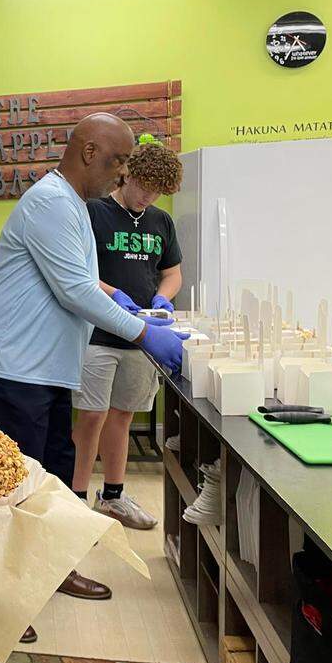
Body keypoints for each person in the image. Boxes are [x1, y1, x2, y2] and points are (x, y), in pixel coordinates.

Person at [0, 114, 187, 638]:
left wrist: (120, 298)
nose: (119, 175)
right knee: (13, 488)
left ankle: (52, 569)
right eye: (116, 162)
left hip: (42, 368)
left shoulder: (72, 205)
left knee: (56, 475)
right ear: (88, 152)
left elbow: (84, 281)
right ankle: (3, 600)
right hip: (13, 367)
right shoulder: (51, 203)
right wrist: (141, 332)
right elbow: (74, 292)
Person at [72, 139, 184, 530]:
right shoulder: (94, 212)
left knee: (122, 416)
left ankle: (114, 497)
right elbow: (79, 273)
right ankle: (76, 501)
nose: (148, 197)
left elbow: (172, 273)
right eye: (144, 187)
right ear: (128, 174)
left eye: (157, 192)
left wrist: (162, 298)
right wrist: (113, 295)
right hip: (98, 335)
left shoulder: (160, 222)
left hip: (142, 337)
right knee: (91, 416)